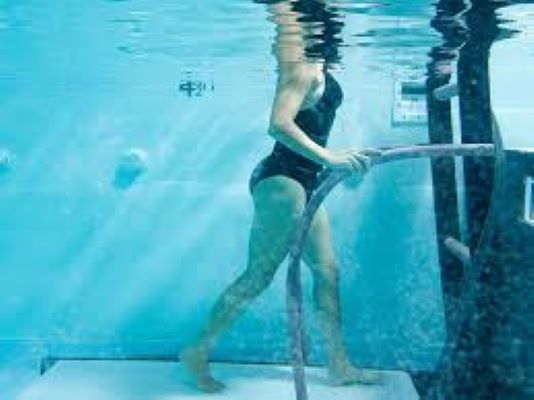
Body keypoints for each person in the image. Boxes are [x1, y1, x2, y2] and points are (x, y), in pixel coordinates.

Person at [180, 0, 381, 392]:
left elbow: (312, 122)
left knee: (328, 272)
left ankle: (339, 364)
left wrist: (332, 159)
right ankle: (197, 351)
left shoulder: (316, 63)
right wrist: (332, 157)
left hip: (306, 178)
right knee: (259, 275)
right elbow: (278, 124)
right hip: (282, 179)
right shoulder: (301, 63)